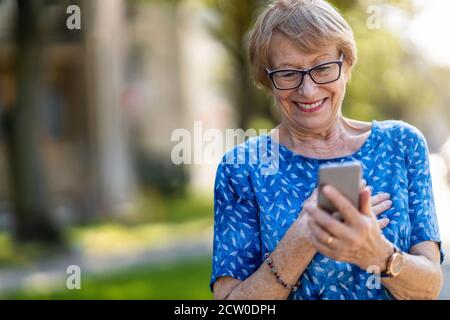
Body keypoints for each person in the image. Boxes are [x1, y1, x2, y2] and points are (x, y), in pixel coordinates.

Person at [210, 0, 444, 300]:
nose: (308, 90)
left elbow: (429, 288)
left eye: (322, 68)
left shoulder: (401, 144)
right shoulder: (242, 167)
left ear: (346, 66)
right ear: (267, 81)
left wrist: (375, 252)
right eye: (288, 73)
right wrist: (304, 236)